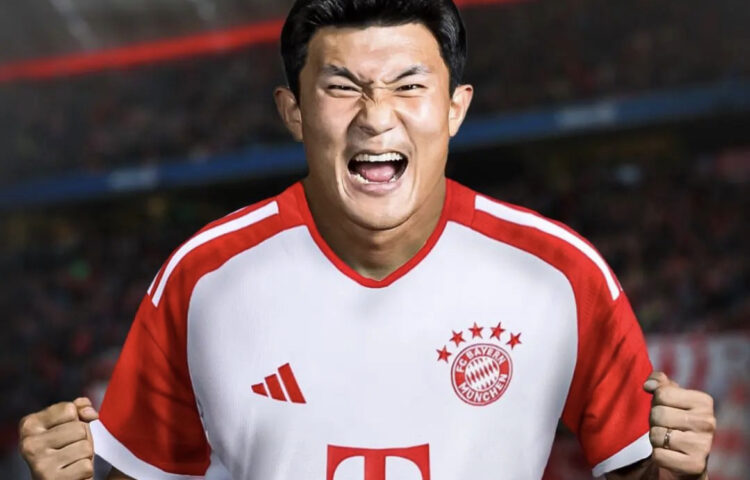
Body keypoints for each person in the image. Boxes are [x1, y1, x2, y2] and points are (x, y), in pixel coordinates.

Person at [18, 1, 716, 479]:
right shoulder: (204, 277)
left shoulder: (560, 274)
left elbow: (639, 470)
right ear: (293, 112)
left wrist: (679, 469)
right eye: (342, 88)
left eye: (408, 85)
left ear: (456, 108)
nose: (376, 117)